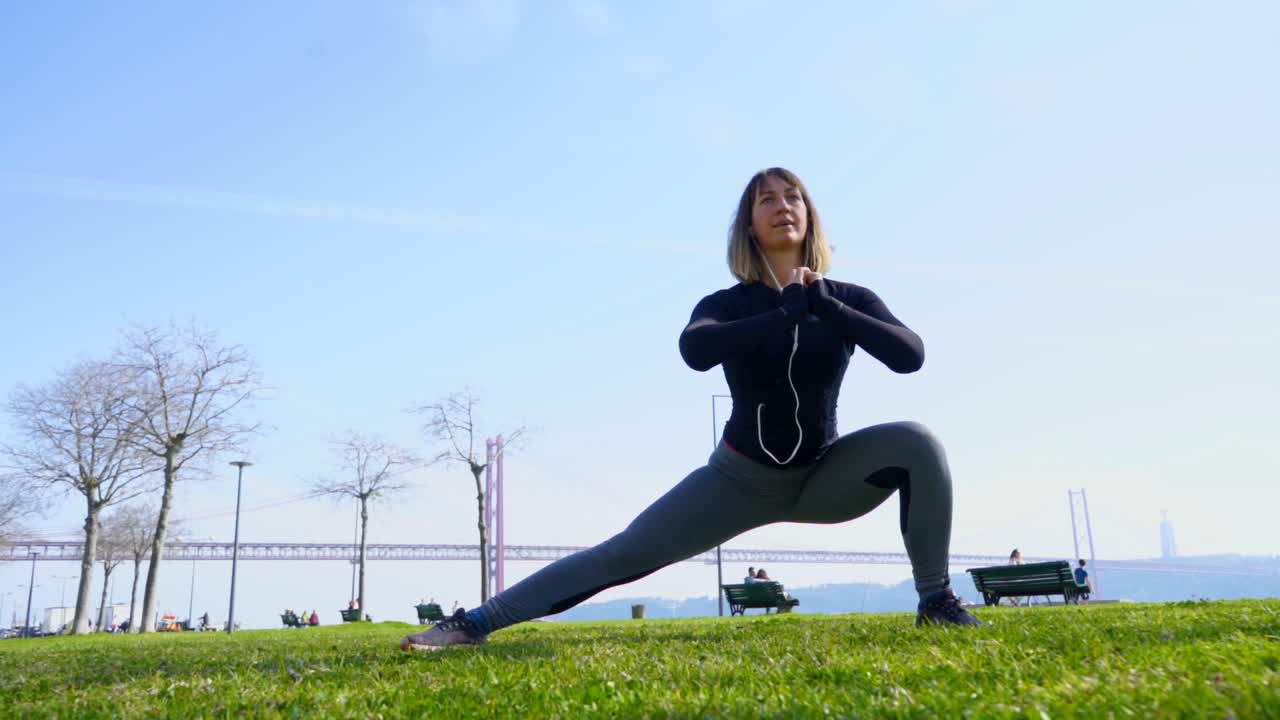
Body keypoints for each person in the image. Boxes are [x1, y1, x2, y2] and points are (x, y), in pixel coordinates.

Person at [401, 167, 981, 652]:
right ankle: (472, 624)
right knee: (622, 553)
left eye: (793, 196)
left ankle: (935, 601)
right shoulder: (726, 303)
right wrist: (782, 313)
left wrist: (826, 307)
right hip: (738, 481)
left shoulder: (847, 298)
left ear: (809, 214)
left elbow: (910, 356)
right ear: (749, 225)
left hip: (824, 478)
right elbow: (696, 350)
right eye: (766, 200)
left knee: (917, 442)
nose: (783, 206)